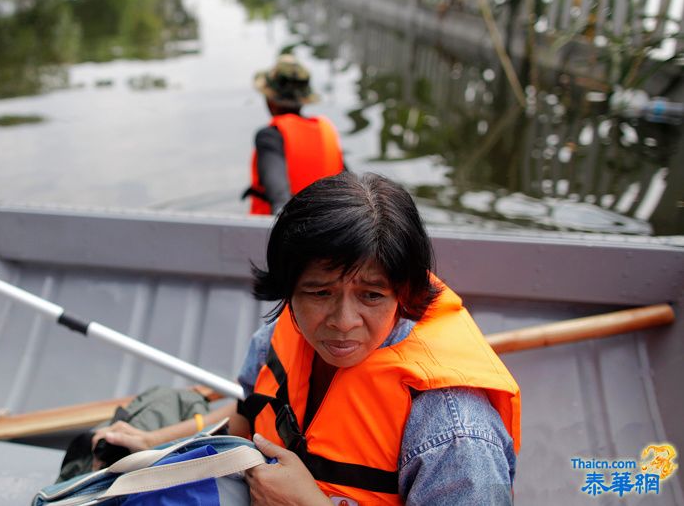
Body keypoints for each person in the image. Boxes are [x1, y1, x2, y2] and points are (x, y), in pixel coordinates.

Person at [96, 172, 520, 505]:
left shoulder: (456, 433)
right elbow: (251, 415)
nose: (343, 321)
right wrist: (155, 443)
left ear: (404, 294)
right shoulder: (284, 334)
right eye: (320, 293)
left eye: (371, 295)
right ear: (289, 289)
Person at [244, 54, 345, 215]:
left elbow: (279, 201)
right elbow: (349, 187)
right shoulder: (327, 131)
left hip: (286, 234)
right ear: (304, 100)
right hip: (328, 228)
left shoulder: (270, 137)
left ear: (270, 100)